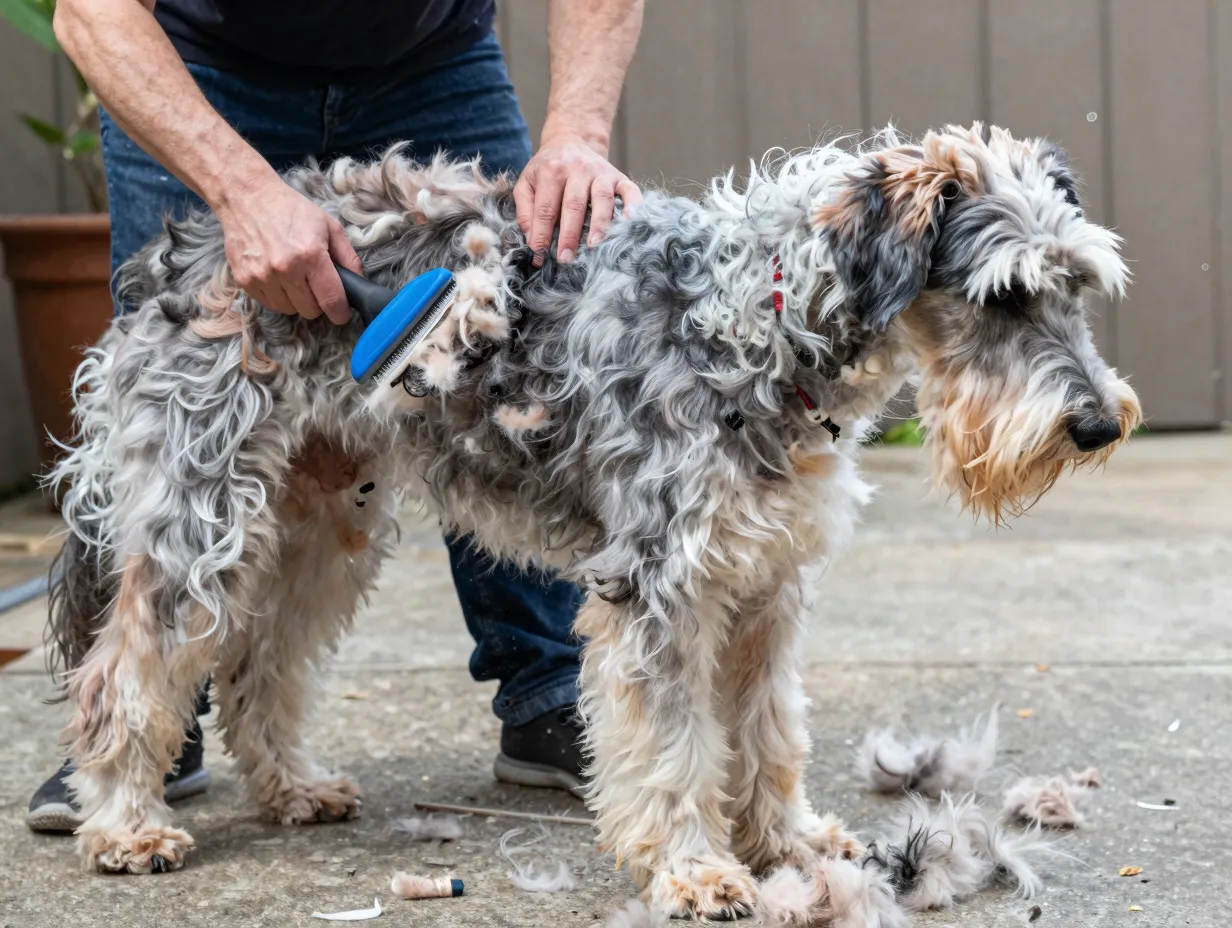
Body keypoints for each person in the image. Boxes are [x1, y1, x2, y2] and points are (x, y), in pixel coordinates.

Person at [26, 0, 644, 833]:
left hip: (432, 62)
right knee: (187, 515)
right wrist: (241, 194)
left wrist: (577, 132)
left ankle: (546, 694)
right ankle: (127, 755)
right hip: (197, 62)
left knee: (471, 441)